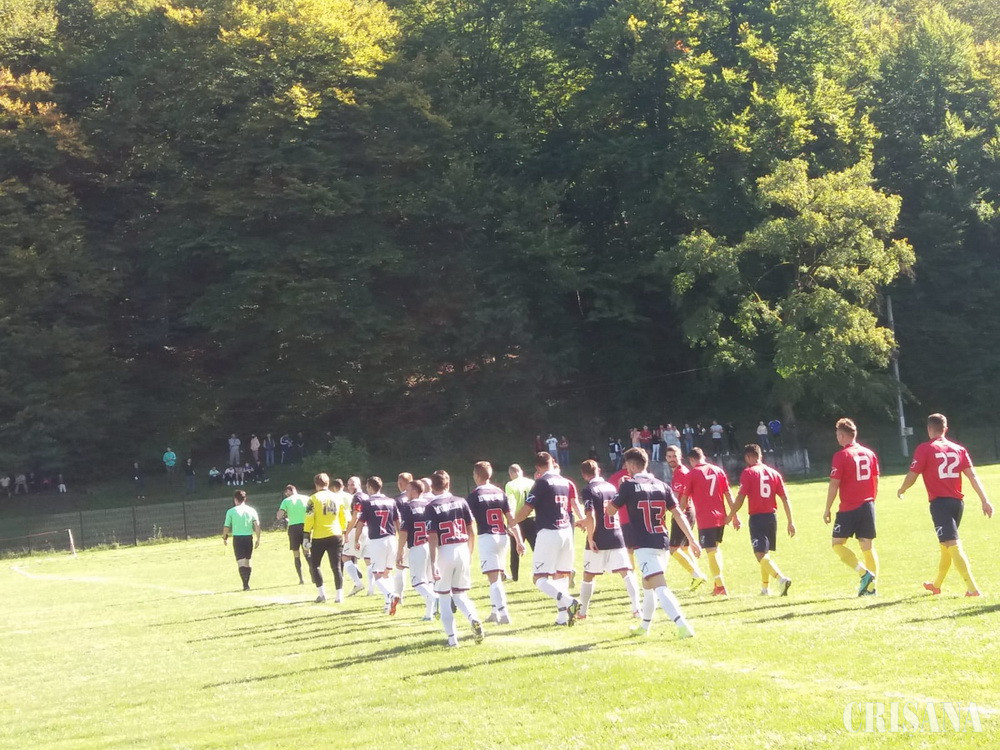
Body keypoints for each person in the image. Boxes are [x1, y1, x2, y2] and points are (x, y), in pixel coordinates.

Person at [896, 413, 993, 596]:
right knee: (946, 546)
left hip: (940, 504)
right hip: (957, 504)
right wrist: (984, 500)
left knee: (952, 544)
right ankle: (937, 585)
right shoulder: (959, 449)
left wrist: (902, 489)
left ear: (929, 429)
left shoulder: (925, 449)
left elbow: (912, 475)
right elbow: (972, 476)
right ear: (945, 429)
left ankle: (972, 589)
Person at [610, 448, 700, 638]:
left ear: (632, 465)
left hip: (644, 544)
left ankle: (683, 625)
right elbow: (678, 514)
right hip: (662, 542)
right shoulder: (662, 485)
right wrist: (692, 539)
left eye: (627, 465)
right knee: (648, 585)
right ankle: (644, 626)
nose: (626, 469)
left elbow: (610, 511)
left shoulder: (628, 486)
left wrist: (619, 489)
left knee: (659, 587)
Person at [511, 452, 581, 626]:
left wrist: (513, 521)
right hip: (566, 531)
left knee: (539, 578)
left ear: (537, 467)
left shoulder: (542, 482)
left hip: (549, 531)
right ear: (552, 462)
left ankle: (570, 601)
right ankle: (562, 618)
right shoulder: (565, 481)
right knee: (561, 576)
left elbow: (527, 508)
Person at [725, 444, 794, 595]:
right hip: (771, 517)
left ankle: (781, 579)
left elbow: (740, 498)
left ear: (748, 457)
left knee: (760, 555)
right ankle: (765, 588)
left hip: (757, 518)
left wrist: (730, 515)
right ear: (760, 455)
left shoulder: (748, 472)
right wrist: (790, 521)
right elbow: (785, 498)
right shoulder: (774, 473)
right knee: (765, 553)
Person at [427, 470, 484, 647]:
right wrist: (469, 553)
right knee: (460, 594)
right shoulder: (461, 501)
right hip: (462, 547)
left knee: (444, 596)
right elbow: (471, 530)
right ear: (448, 483)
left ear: (432, 486)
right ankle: (473, 617)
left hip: (444, 550)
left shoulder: (431, 506)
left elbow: (433, 536)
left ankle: (452, 639)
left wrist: (433, 562)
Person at [578, 460, 641, 620]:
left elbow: (592, 515)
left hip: (599, 537)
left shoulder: (588, 490)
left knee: (588, 575)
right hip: (616, 535)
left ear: (584, 475)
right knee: (626, 572)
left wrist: (590, 538)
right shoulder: (611, 487)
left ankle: (582, 612)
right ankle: (637, 608)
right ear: (598, 470)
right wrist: (584, 522)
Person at [823, 418, 879, 596]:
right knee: (867, 547)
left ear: (842, 435)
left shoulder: (841, 456)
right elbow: (876, 479)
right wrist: (872, 500)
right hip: (868, 505)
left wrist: (827, 508)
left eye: (837, 435)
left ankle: (864, 574)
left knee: (837, 544)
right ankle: (872, 588)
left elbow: (834, 484)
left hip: (849, 508)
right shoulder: (869, 453)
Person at [467, 462, 524, 625]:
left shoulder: (475, 495)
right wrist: (519, 540)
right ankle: (494, 611)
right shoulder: (500, 492)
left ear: (476, 475)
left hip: (487, 537)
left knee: (494, 579)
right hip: (502, 537)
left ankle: (503, 614)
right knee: (496, 576)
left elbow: (468, 522)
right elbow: (511, 519)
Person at [680, 447, 739, 596]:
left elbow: (684, 498)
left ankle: (720, 586)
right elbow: (728, 493)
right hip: (720, 517)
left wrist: (679, 513)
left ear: (692, 460)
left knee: (711, 552)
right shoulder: (718, 470)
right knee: (716, 550)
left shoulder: (692, 474)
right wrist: (734, 515)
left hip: (706, 519)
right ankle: (717, 584)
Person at [352, 476, 401, 614]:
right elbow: (397, 522)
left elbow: (360, 523)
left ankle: (391, 594)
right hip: (391, 538)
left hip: (377, 540)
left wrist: (356, 540)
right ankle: (388, 604)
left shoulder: (367, 503)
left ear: (370, 487)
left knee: (377, 574)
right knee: (387, 572)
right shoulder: (391, 501)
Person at [664, 445, 707, 588]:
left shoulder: (681, 473)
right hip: (688, 511)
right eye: (669, 456)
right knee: (685, 548)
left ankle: (696, 574)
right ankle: (698, 575)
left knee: (673, 549)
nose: (672, 459)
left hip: (684, 512)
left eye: (674, 456)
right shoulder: (679, 472)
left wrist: (676, 514)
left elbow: (678, 497)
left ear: (680, 456)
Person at [397, 479, 439, 620]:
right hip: (430, 545)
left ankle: (435, 598)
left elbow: (403, 532)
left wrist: (400, 551)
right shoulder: (429, 504)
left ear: (415, 491)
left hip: (417, 546)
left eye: (408, 490)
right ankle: (429, 614)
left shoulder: (408, 507)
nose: (406, 493)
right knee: (429, 581)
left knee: (418, 583)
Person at [304, 475, 349, 601]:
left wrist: (306, 534)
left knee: (315, 565)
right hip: (336, 534)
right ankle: (339, 596)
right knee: (336, 566)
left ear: (316, 484)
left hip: (319, 535)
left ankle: (322, 594)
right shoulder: (337, 497)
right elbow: (343, 516)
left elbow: (309, 518)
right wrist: (343, 531)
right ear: (328, 483)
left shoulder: (313, 499)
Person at [222, 490, 261, 590]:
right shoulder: (251, 510)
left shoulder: (231, 511)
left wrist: (225, 537)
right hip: (248, 537)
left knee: (240, 561)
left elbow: (226, 526)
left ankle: (245, 584)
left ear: (235, 499)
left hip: (238, 538)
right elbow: (257, 525)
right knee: (247, 560)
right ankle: (247, 583)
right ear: (245, 499)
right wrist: (258, 538)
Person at [504, 464, 535, 582]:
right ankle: (542, 570)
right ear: (521, 471)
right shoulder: (531, 482)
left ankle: (515, 576)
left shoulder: (510, 485)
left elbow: (511, 503)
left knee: (515, 549)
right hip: (532, 518)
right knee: (536, 547)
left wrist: (510, 522)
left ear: (511, 474)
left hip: (517, 520)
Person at [276, 483, 312, 585]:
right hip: (305, 527)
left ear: (289, 491)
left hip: (293, 528)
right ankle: (314, 575)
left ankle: (301, 579)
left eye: (286, 493)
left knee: (296, 554)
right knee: (307, 551)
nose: (286, 495)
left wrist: (281, 514)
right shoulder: (306, 498)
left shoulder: (286, 501)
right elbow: (311, 512)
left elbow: (279, 515)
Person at [342, 476, 370, 595]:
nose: (350, 487)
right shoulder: (366, 496)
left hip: (358, 529)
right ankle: (371, 589)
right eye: (348, 484)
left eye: (352, 484)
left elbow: (356, 516)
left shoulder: (357, 497)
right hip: (368, 529)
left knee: (345, 556)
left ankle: (358, 583)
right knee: (368, 559)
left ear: (359, 484)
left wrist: (348, 531)